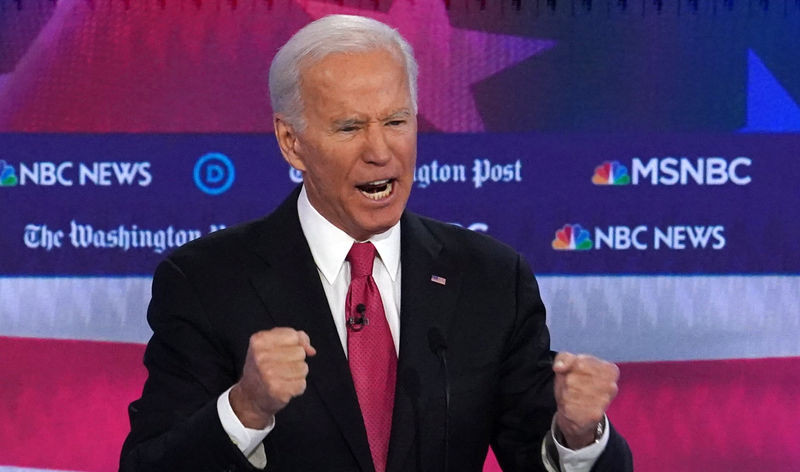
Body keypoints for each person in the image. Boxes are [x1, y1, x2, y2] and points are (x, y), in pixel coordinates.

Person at [120, 14, 632, 472]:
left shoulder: (491, 278)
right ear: (291, 141)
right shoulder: (207, 282)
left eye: (396, 122)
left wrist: (578, 434)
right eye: (349, 127)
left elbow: (536, 451)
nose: (380, 151)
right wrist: (246, 408)